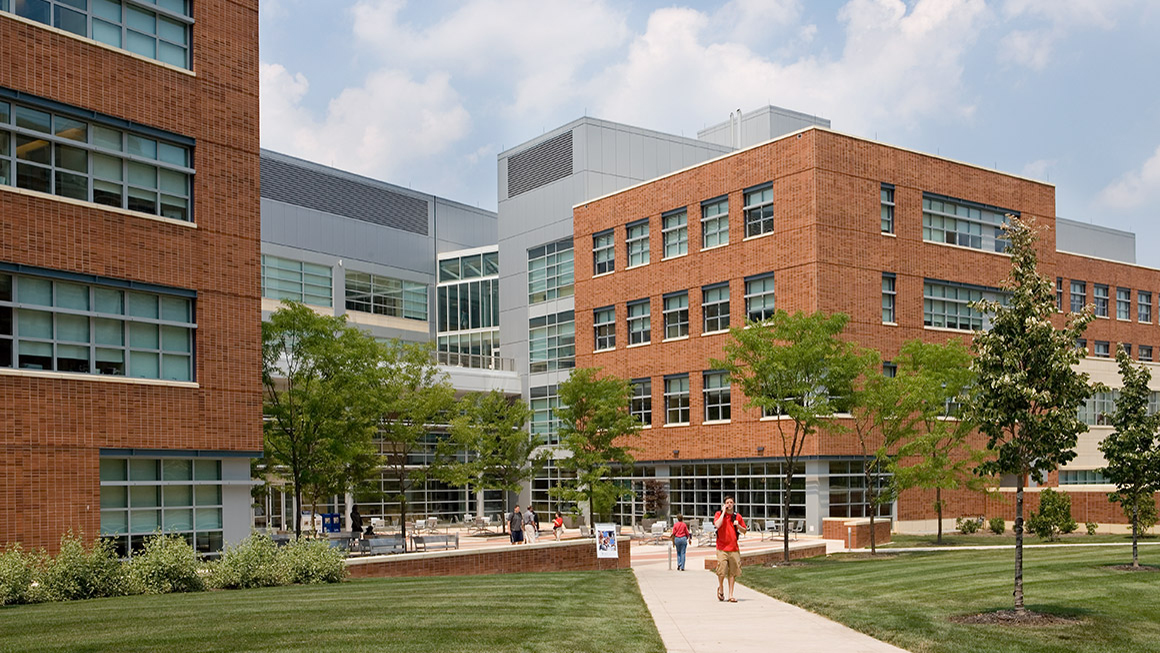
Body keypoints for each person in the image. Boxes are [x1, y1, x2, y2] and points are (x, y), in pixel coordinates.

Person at [713, 496, 747, 602]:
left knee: (732, 573)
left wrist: (738, 526)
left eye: (731, 502)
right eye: (727, 502)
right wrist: (723, 512)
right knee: (721, 571)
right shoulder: (719, 514)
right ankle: (721, 587)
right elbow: (717, 525)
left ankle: (731, 595)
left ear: (734, 504)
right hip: (722, 548)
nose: (729, 504)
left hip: (733, 548)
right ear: (724, 504)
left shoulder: (737, 516)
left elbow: (744, 531)